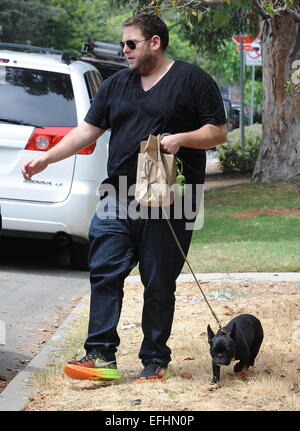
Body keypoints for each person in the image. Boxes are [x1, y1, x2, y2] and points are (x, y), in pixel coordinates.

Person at [22, 13, 227, 380]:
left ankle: (154, 360)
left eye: (131, 43)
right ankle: (100, 356)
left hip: (173, 199)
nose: (125, 50)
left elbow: (218, 132)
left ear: (154, 42)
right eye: (123, 45)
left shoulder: (192, 80)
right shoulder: (116, 85)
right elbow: (87, 130)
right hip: (118, 194)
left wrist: (181, 139)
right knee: (104, 272)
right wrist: (46, 158)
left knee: (159, 282)